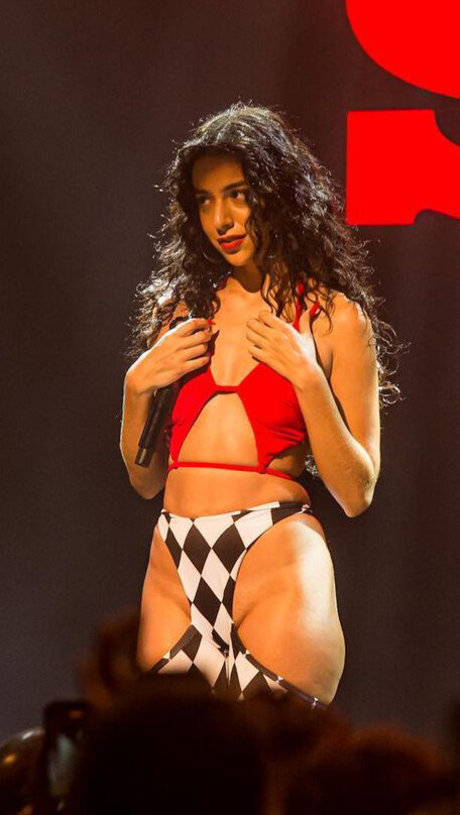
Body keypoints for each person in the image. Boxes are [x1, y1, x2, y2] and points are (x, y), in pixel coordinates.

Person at [120, 102, 399, 707]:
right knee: (165, 761)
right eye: (205, 201)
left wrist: (307, 378)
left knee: (274, 760)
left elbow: (357, 493)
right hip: (173, 562)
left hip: (272, 557)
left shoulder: (333, 318)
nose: (220, 219)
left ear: (278, 195)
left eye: (239, 195)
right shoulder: (182, 311)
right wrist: (136, 388)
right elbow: (145, 481)